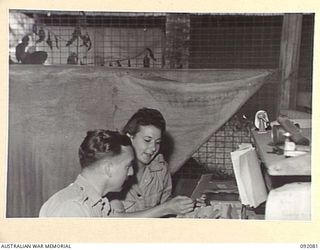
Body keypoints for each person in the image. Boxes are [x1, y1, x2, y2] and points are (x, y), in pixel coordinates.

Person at [109, 107, 196, 217]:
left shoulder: (160, 168)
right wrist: (166, 208)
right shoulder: (113, 172)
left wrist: (184, 206)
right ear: (130, 137)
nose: (153, 148)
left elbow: (166, 201)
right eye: (147, 140)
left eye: (158, 142)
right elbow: (113, 221)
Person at [39, 129, 134, 217]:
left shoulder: (95, 204)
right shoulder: (73, 208)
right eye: (128, 166)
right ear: (108, 168)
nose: (131, 172)